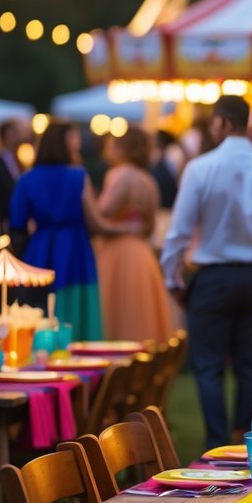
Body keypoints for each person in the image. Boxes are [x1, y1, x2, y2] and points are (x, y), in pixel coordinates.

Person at [161, 95, 252, 450]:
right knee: (247, 361)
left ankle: (216, 443)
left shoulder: (200, 167)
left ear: (223, 123)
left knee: (208, 364)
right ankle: (245, 438)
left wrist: (173, 278)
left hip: (214, 275)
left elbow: (178, 233)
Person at [9, 121, 120, 340]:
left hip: (39, 248)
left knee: (39, 308)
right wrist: (125, 228)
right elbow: (95, 221)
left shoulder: (27, 179)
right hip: (74, 248)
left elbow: (16, 224)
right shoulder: (77, 176)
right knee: (75, 306)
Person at [95, 127, 174, 344]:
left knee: (117, 312)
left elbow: (101, 214)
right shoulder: (149, 181)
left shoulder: (118, 175)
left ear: (122, 149)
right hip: (141, 253)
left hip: (117, 252)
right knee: (140, 312)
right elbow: (150, 226)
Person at [0, 119, 22, 233]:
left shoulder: (22, 162)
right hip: (5, 223)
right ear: (4, 137)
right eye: (12, 134)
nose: (16, 138)